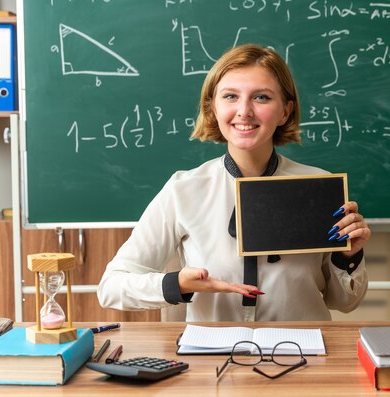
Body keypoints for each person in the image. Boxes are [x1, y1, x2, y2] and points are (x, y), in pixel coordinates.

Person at [97, 44, 370, 321]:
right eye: (230, 96)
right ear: (212, 108)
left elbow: (345, 303)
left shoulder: (319, 187)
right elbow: (111, 287)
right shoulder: (183, 190)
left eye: (261, 97)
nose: (244, 111)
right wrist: (177, 283)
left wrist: (348, 257)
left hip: (304, 353)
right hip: (212, 358)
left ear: (285, 111)